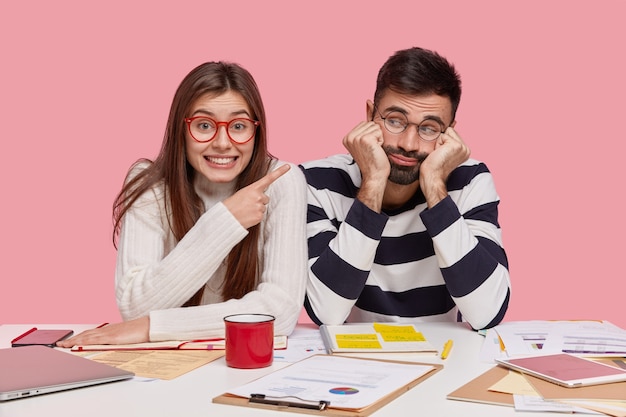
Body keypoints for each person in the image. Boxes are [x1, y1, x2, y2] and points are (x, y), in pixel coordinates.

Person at [58, 62, 307, 347]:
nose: (223, 143)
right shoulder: (150, 183)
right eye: (204, 125)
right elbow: (136, 307)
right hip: (170, 366)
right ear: (181, 130)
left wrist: (153, 327)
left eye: (239, 126)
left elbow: (281, 312)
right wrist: (226, 221)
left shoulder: (282, 182)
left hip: (247, 362)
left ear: (257, 130)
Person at [299, 47, 510, 330]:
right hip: (356, 359)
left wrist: (435, 185)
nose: (409, 144)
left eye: (429, 128)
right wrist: (373, 182)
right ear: (370, 115)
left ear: (450, 133)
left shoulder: (468, 180)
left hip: (449, 359)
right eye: (395, 121)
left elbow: (487, 313)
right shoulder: (317, 182)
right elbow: (327, 312)